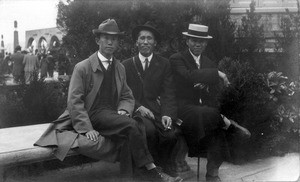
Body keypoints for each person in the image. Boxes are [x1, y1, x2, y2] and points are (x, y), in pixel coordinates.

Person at [34, 19, 170, 182]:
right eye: (106, 38)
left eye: (114, 39)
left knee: (133, 130)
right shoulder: (82, 67)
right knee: (132, 125)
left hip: (111, 116)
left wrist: (124, 110)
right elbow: (75, 102)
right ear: (98, 40)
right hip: (91, 114)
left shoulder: (119, 67)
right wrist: (86, 128)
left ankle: (129, 178)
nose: (110, 42)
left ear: (118, 43)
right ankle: (152, 170)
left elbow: (127, 95)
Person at [169, 24, 251, 182]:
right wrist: (216, 74)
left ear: (206, 44)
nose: (198, 44)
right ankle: (228, 123)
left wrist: (206, 88)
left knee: (215, 129)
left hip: (203, 110)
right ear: (187, 41)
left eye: (201, 41)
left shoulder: (208, 62)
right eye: (194, 40)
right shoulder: (177, 59)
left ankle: (212, 173)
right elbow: (188, 75)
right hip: (182, 108)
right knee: (209, 116)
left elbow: (213, 92)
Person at [122, 22, 181, 180]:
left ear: (155, 43)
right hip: (136, 111)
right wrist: (138, 107)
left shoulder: (164, 64)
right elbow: (123, 93)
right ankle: (151, 171)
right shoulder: (126, 65)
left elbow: (168, 92)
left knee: (171, 134)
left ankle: (162, 165)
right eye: (142, 38)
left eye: (149, 38)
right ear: (136, 42)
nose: (146, 41)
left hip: (157, 110)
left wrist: (167, 114)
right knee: (149, 131)